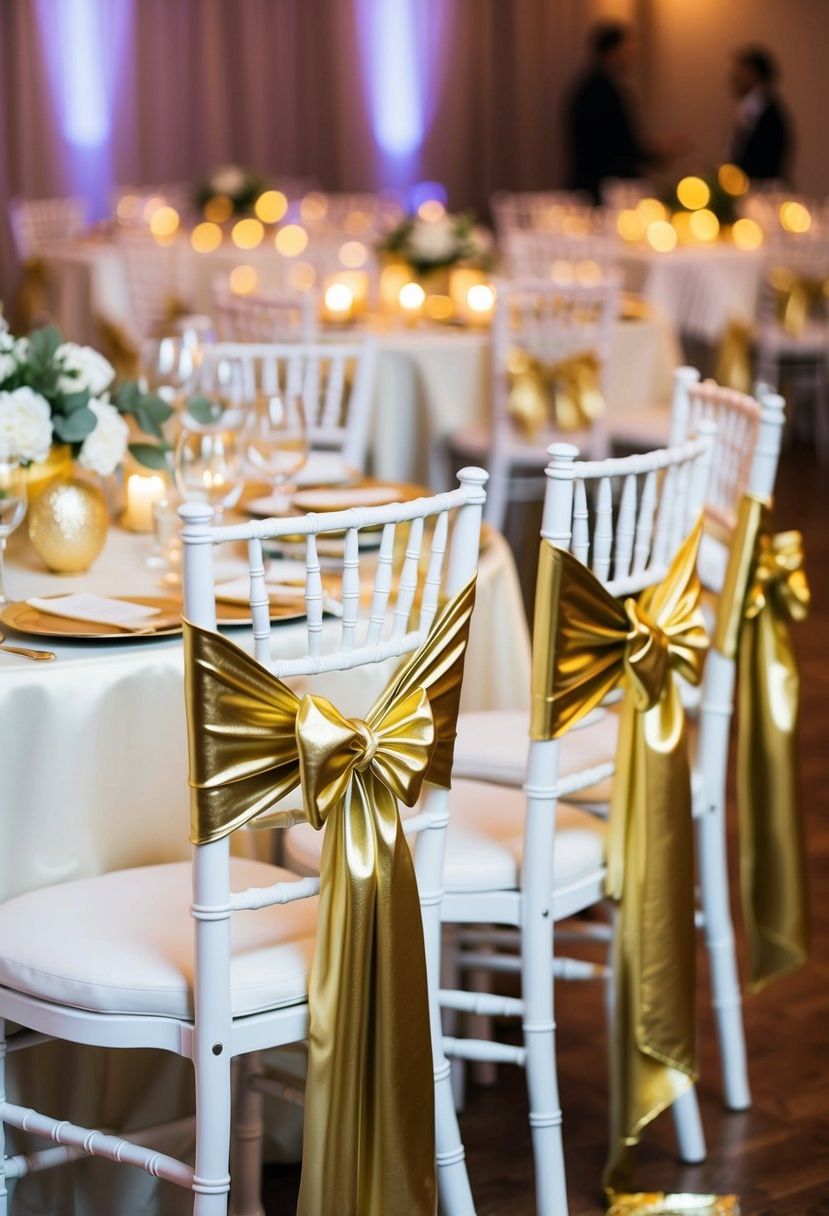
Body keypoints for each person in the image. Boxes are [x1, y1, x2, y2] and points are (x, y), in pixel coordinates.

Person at [565, 21, 683, 204]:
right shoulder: (600, 90)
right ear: (612, 52)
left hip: (599, 184)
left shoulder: (596, 86)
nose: (632, 56)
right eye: (628, 50)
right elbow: (614, 144)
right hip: (604, 189)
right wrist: (655, 152)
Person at [728, 46, 792, 182]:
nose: (734, 78)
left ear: (753, 73)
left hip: (758, 185)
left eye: (739, 72)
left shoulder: (759, 107)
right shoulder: (755, 105)